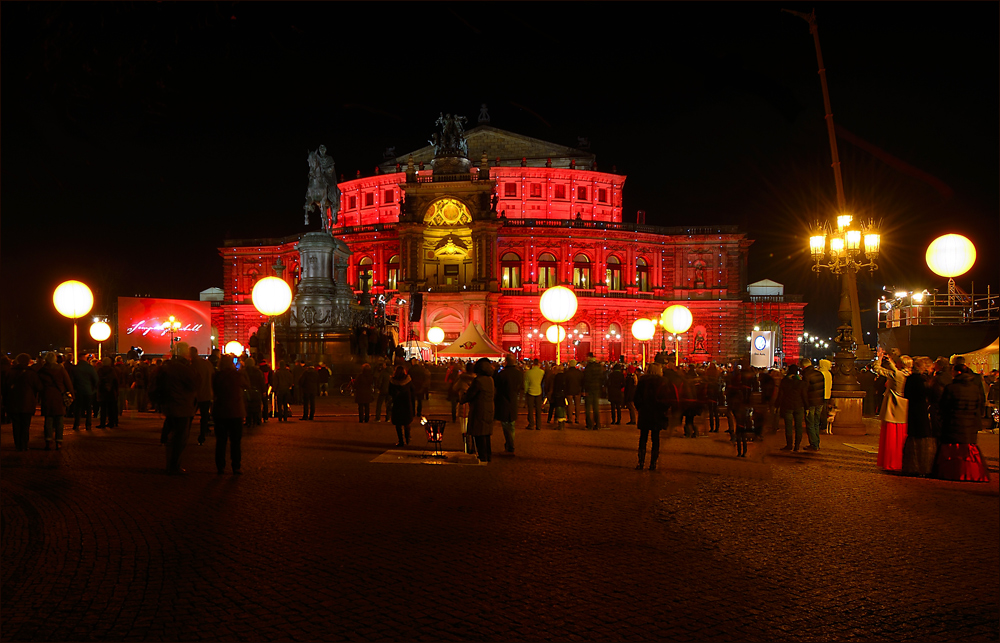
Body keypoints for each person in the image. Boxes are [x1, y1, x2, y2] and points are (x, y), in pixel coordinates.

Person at [935, 364, 990, 482]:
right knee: (968, 449)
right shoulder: (974, 388)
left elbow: (944, 406)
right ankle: (972, 472)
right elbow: (978, 406)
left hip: (953, 423)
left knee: (953, 449)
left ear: (958, 373)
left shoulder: (951, 388)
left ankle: (952, 472)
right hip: (970, 423)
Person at [152, 342, 199, 474]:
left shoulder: (168, 366)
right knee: (180, 437)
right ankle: (174, 465)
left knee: (171, 435)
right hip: (182, 406)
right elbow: (193, 384)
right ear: (186, 353)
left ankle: (170, 463)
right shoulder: (184, 368)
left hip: (169, 404)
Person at [873, 350, 911, 472]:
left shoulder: (896, 374)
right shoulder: (909, 376)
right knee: (901, 436)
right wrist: (890, 361)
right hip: (904, 407)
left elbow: (877, 369)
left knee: (891, 437)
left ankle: (890, 461)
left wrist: (879, 358)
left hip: (892, 407)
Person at [212, 356, 246, 474]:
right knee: (235, 441)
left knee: (221, 441)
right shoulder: (237, 376)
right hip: (235, 411)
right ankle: (236, 466)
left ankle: (220, 466)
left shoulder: (216, 376)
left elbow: (215, 390)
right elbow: (246, 385)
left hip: (220, 411)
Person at [901, 357, 935, 476]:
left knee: (914, 436)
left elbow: (906, 394)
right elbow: (927, 394)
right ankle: (922, 465)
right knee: (922, 436)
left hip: (913, 409)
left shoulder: (910, 379)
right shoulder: (922, 380)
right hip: (921, 410)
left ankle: (912, 465)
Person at [633, 364, 669, 470]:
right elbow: (666, 398)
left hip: (645, 412)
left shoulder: (643, 381)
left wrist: (640, 408)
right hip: (657, 413)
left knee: (643, 438)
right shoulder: (663, 382)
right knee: (656, 438)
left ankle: (641, 462)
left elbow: (636, 397)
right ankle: (653, 463)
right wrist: (663, 410)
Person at [37, 352, 74, 450]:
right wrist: (72, 394)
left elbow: (39, 385)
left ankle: (48, 440)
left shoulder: (42, 370)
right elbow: (68, 382)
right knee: (59, 420)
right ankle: (59, 441)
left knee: (48, 419)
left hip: (47, 396)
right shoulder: (60, 369)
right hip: (59, 395)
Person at [461, 358, 496, 463]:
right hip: (489, 408)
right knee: (486, 434)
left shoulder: (478, 380)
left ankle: (482, 455)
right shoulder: (490, 379)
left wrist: (463, 398)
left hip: (479, 409)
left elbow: (471, 394)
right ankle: (488, 455)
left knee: (479, 433)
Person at [9, 354, 42, 451]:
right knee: (25, 425)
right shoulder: (31, 373)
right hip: (27, 403)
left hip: (13, 402)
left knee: (16, 425)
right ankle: (24, 445)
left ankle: (17, 444)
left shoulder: (10, 372)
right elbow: (39, 387)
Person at [494, 354, 522, 454]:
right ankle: (510, 443)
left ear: (506, 362)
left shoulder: (502, 374)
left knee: (505, 425)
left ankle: (510, 444)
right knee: (512, 425)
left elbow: (497, 387)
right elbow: (520, 387)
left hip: (503, 401)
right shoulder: (519, 374)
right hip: (514, 401)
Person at [777, 363, 808, 452]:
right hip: (799, 406)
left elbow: (781, 395)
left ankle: (789, 445)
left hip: (788, 406)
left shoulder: (785, 381)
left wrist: (777, 405)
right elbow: (804, 395)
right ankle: (797, 446)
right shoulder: (801, 383)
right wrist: (807, 406)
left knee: (789, 426)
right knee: (799, 426)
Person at [191, 346, 215, 445]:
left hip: (195, 394)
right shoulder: (207, 364)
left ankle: (183, 435)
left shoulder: (192, 365)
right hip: (207, 393)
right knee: (204, 416)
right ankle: (202, 436)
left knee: (189, 415)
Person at [801, 358, 825, 451]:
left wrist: (805, 404)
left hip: (811, 402)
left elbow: (805, 391)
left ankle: (814, 444)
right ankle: (817, 442)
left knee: (810, 424)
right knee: (816, 423)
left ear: (803, 366)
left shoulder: (807, 375)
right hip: (819, 402)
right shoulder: (819, 373)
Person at [388, 365, 414, 446]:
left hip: (397, 403)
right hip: (406, 402)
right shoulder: (408, 380)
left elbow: (390, 392)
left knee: (398, 424)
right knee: (406, 423)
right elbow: (413, 390)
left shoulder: (392, 381)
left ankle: (401, 440)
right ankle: (407, 438)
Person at [70, 355, 98, 431]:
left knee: (78, 408)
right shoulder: (90, 368)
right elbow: (95, 379)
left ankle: (76, 424)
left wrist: (73, 390)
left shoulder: (75, 368)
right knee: (89, 408)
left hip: (78, 391)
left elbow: (72, 380)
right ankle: (88, 425)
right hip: (88, 391)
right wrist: (93, 388)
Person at [582, 353, 605, 430]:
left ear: (589, 357)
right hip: (597, 388)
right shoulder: (599, 366)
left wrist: (584, 389)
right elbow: (602, 378)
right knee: (596, 407)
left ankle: (589, 424)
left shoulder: (588, 367)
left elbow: (586, 379)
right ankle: (597, 424)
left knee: (588, 408)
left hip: (589, 389)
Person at [97, 357, 120, 429]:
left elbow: (98, 380)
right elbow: (115, 381)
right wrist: (116, 390)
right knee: (111, 408)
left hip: (102, 391)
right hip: (111, 391)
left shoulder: (100, 370)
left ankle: (102, 423)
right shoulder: (112, 370)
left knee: (103, 408)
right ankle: (111, 422)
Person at [243, 358, 266, 427]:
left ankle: (249, 420)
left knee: (248, 406)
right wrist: (263, 391)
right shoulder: (258, 372)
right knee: (257, 406)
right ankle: (257, 420)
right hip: (257, 391)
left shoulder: (244, 372)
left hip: (247, 391)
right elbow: (262, 382)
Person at [523, 359, 545, 430]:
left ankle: (531, 424)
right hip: (538, 391)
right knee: (538, 409)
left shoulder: (528, 373)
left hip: (530, 392)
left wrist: (525, 391)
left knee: (530, 409)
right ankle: (538, 425)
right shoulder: (542, 372)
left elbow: (526, 383)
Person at [564, 360, 583, 425]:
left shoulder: (567, 372)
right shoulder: (579, 372)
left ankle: (569, 419)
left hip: (569, 390)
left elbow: (565, 382)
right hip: (577, 390)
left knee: (570, 405)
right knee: (577, 405)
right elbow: (582, 381)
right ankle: (577, 419)